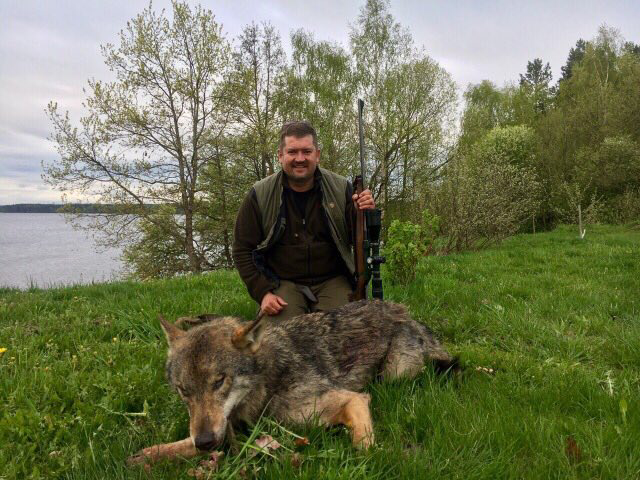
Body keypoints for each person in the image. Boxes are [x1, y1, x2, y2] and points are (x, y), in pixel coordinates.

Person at [232, 121, 375, 322]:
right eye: (292, 152)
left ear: (317, 154)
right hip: (282, 282)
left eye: (307, 151)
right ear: (280, 155)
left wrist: (366, 212)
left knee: (347, 330)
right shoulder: (260, 194)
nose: (300, 159)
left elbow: (360, 238)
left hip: (333, 279)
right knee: (278, 336)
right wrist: (263, 293)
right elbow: (242, 249)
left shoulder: (341, 188)